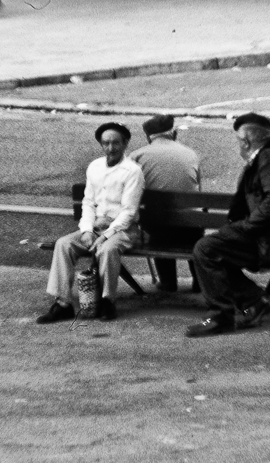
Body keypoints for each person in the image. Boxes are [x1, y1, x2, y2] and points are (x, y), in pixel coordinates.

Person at [186, 120, 270, 337]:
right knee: (214, 250)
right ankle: (254, 300)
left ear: (245, 142)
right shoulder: (266, 158)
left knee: (205, 248)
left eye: (238, 141)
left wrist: (249, 225)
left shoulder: (267, 158)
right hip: (268, 237)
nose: (238, 146)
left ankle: (221, 317)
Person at [37, 122, 144, 323]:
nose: (110, 148)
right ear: (100, 144)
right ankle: (63, 303)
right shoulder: (94, 167)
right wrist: (86, 230)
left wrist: (105, 236)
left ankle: (107, 302)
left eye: (116, 143)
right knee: (64, 244)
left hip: (123, 230)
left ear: (125, 143)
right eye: (106, 143)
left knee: (107, 249)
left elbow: (128, 212)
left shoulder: (133, 171)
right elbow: (88, 203)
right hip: (95, 227)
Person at [129, 114, 202, 292]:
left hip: (159, 227)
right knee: (192, 220)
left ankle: (168, 282)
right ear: (174, 133)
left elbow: (130, 194)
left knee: (156, 219)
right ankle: (200, 282)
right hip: (190, 227)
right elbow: (199, 192)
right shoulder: (191, 154)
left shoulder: (137, 156)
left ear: (148, 137)